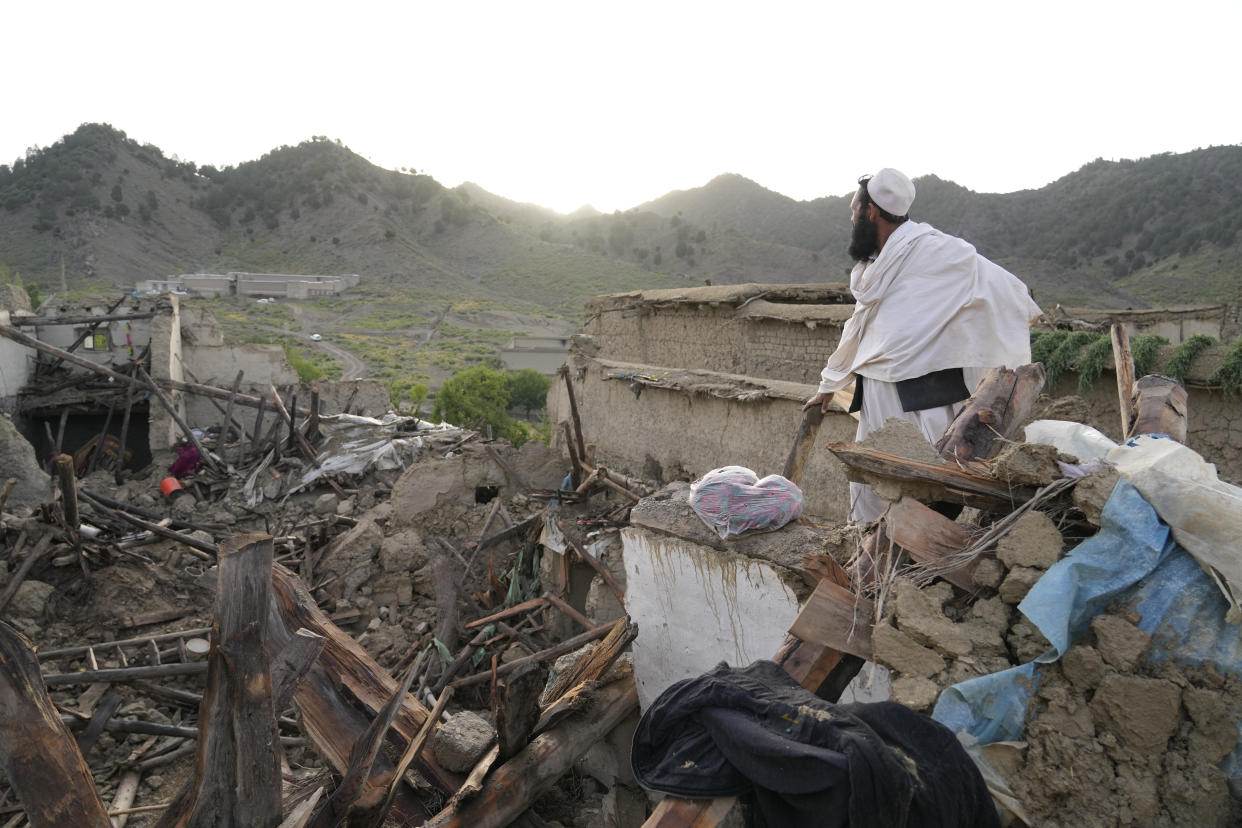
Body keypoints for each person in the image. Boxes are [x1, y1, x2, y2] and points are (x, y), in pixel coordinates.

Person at [803, 168, 1043, 523]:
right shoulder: (876, 266)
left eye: (854, 209)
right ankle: (866, 567)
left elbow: (1004, 286)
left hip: (923, 399)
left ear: (871, 212)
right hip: (877, 395)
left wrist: (1016, 316)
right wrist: (828, 386)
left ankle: (915, 571)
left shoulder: (938, 251)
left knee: (919, 495)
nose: (851, 216)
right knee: (869, 488)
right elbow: (860, 326)